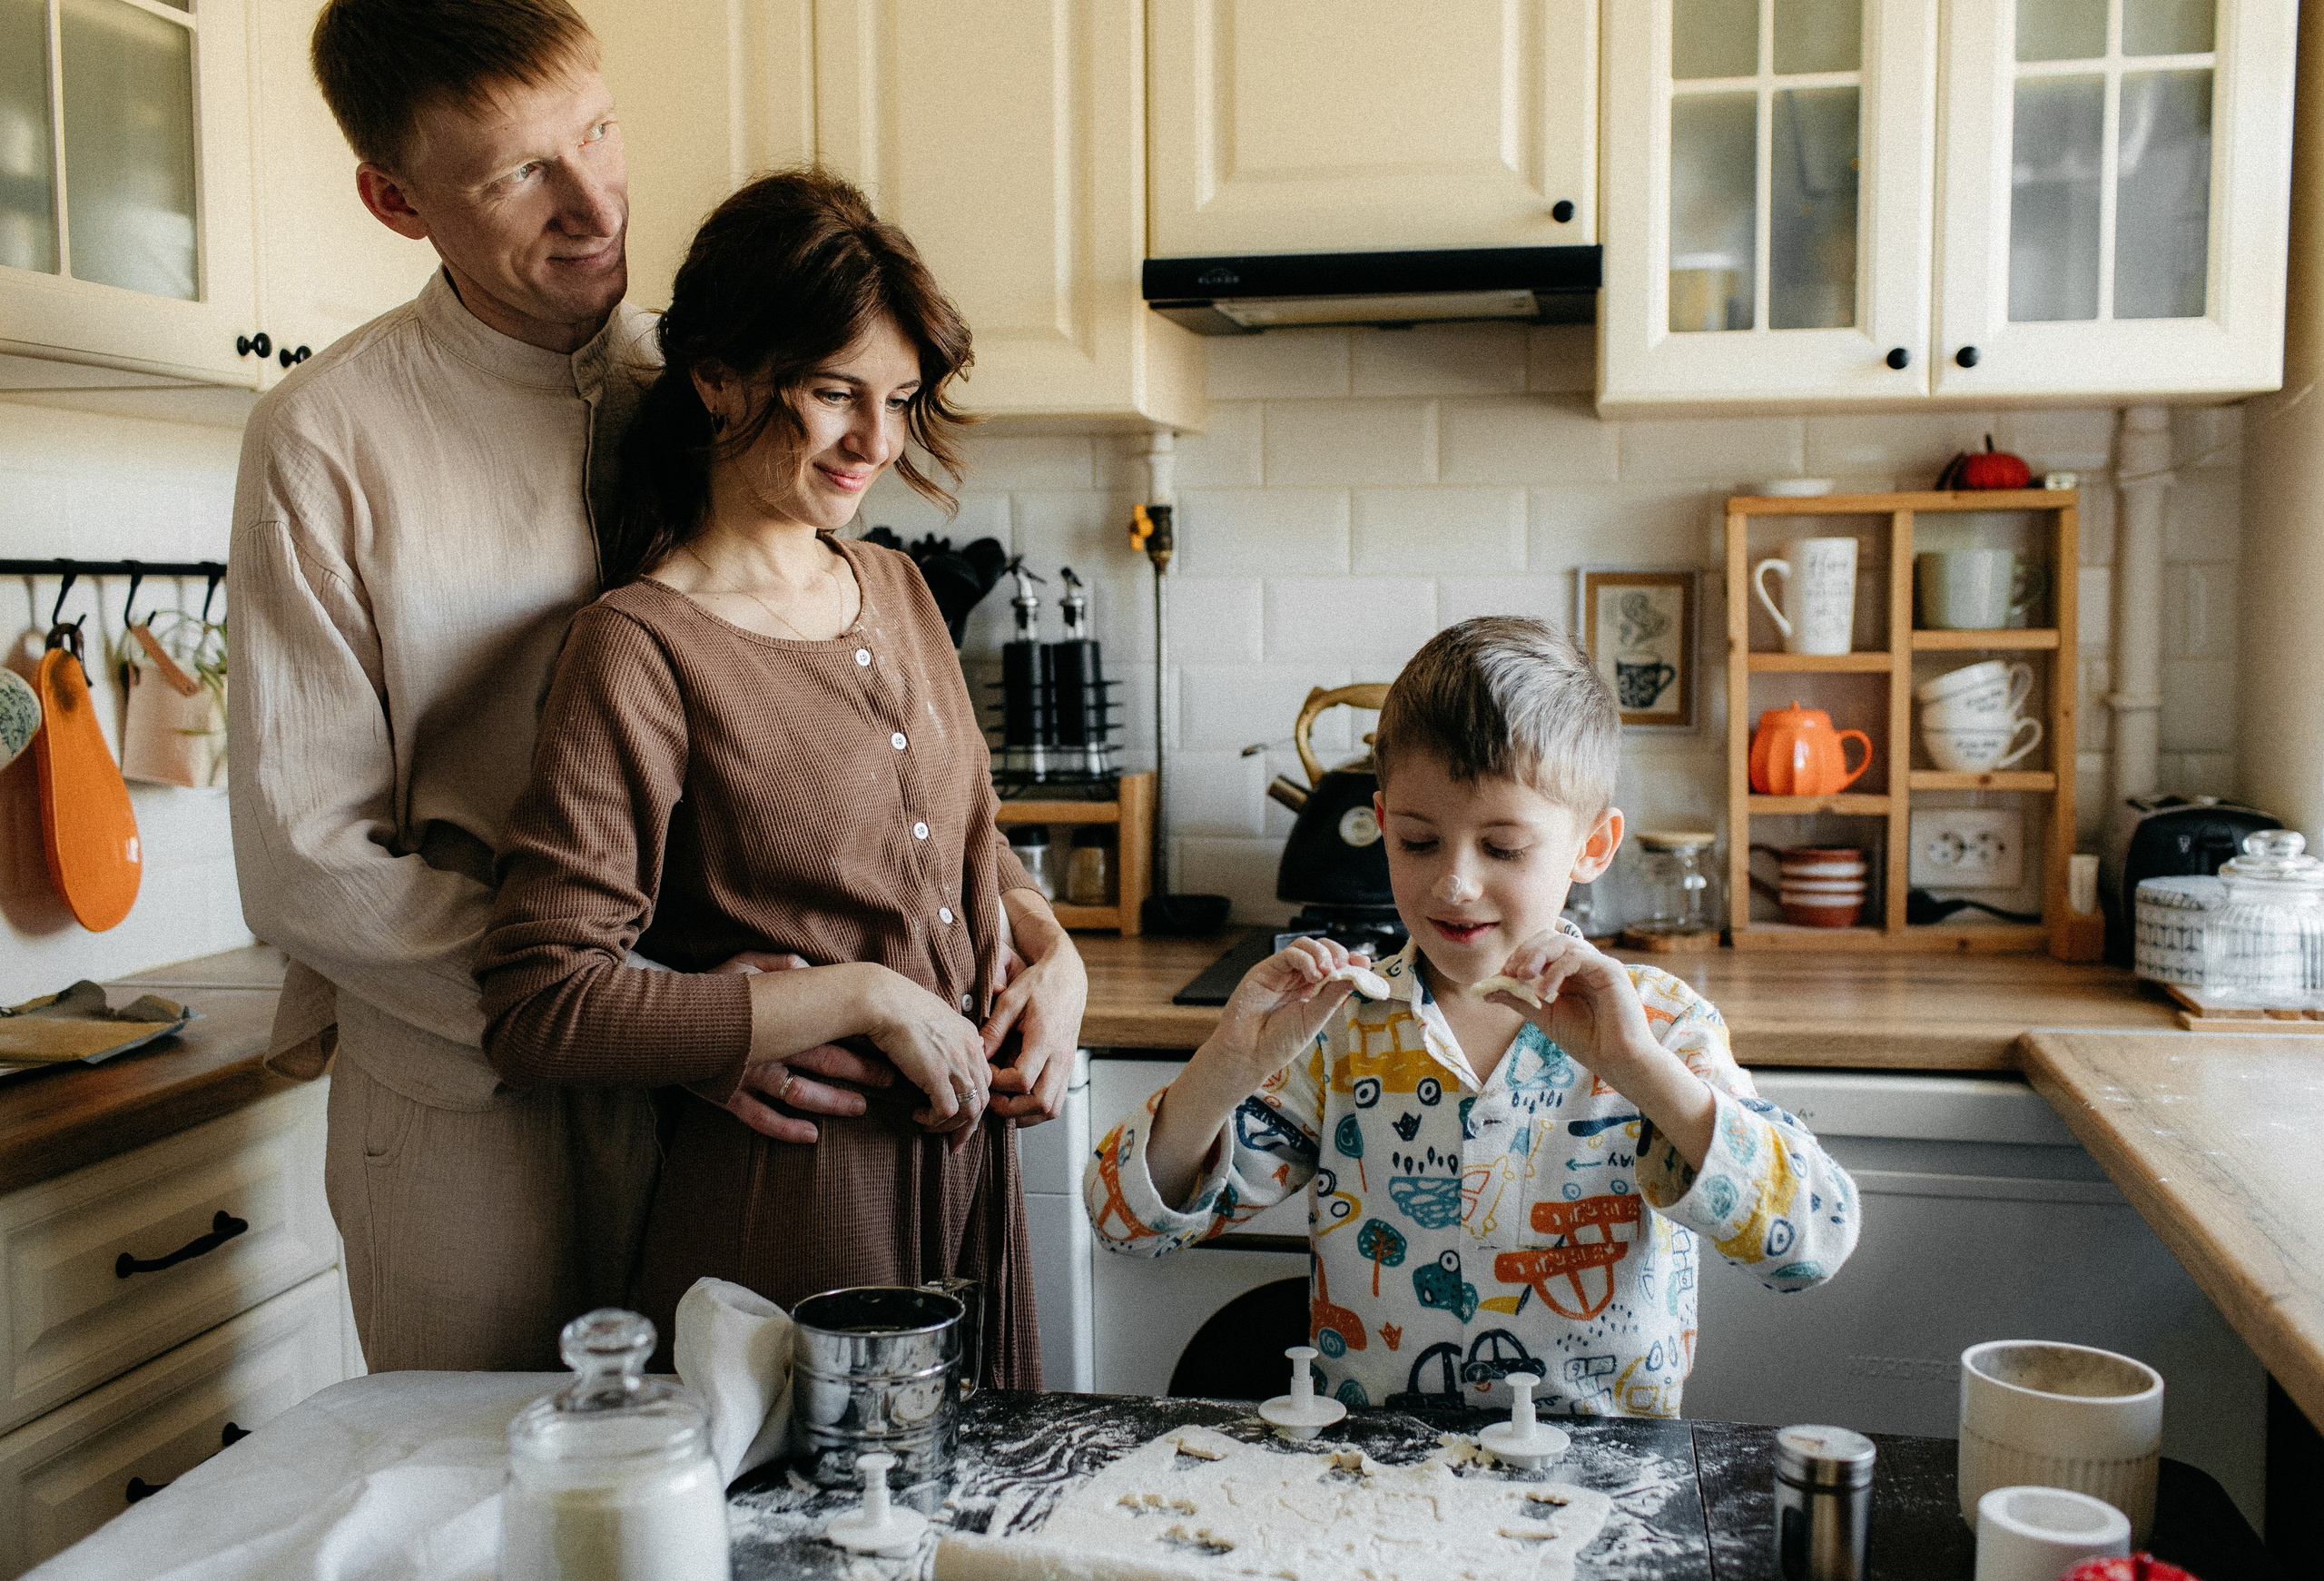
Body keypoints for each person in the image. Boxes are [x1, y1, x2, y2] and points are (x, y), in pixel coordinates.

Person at [226, 0, 872, 1371]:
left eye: (597, 130)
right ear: (394, 202)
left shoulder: (710, 386)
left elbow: (853, 706)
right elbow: (306, 863)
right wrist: (646, 1017)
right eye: (522, 171)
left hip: (732, 1089)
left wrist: (1021, 924)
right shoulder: (324, 439)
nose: (594, 204)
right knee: (494, 1515)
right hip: (472, 1103)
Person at [474, 169, 1087, 1384]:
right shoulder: (641, 647)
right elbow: (541, 998)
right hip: (792, 1224)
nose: (876, 442)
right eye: (833, 395)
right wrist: (859, 998)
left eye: (901, 398)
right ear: (717, 378)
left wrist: (1053, 953)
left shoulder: (900, 590)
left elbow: (966, 844)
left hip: (968, 1194)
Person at [1083, 618, 1859, 1415]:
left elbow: (1811, 1244)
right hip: (1381, 1481)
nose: (1454, 884)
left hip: (1603, 1490)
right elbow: (1124, 1222)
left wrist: (1643, 1073)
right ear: (1382, 824)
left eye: (1503, 847)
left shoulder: (1661, 1025)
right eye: (1420, 842)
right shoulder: (1343, 1030)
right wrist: (1227, 1065)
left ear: (1593, 845)